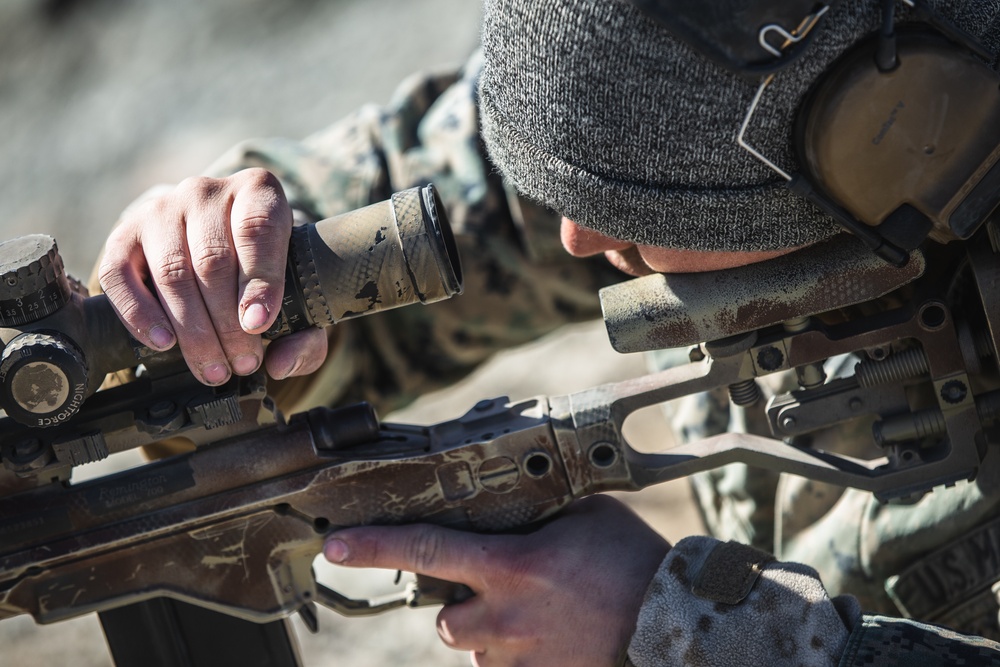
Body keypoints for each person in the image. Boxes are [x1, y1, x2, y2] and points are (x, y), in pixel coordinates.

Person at [94, 0, 1000, 664]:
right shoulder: (704, 106)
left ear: (898, 135)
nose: (579, 236)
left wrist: (681, 628)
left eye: (641, 196)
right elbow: (457, 197)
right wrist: (232, 280)